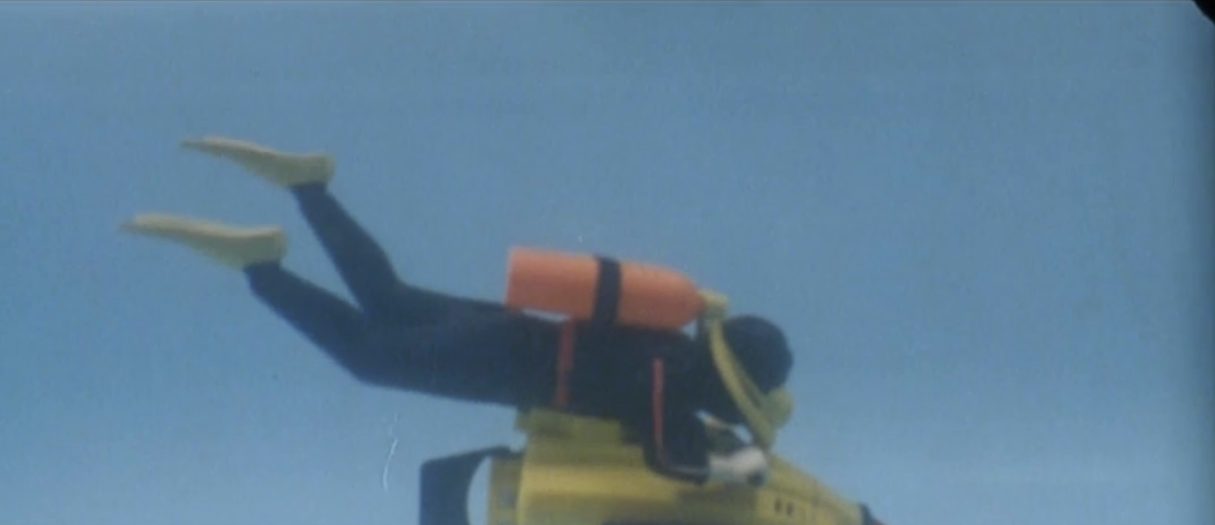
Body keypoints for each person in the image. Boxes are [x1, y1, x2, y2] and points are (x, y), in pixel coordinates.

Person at [121, 136, 793, 486]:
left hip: (514, 334)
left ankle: (310, 189)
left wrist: (728, 442)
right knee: (368, 357)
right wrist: (736, 464)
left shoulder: (672, 346)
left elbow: (674, 427)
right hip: (504, 365)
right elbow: (670, 459)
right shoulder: (669, 384)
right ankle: (264, 269)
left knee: (388, 300)